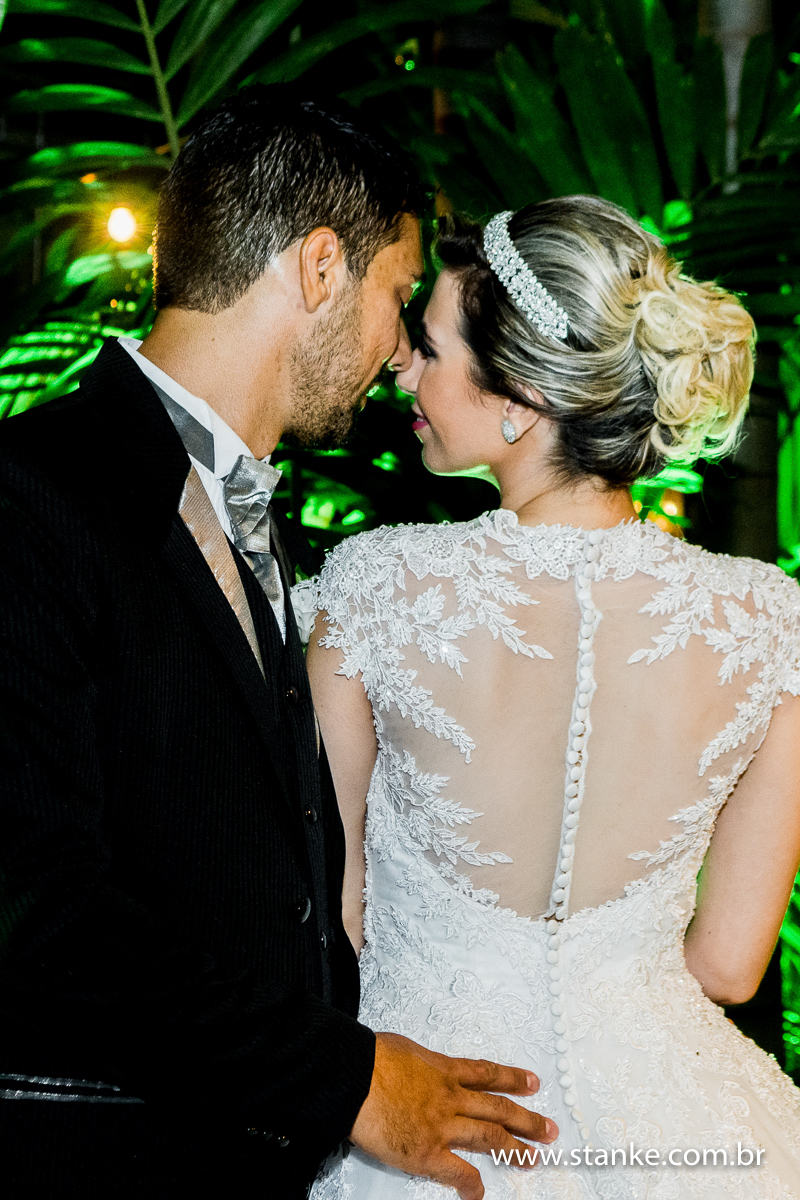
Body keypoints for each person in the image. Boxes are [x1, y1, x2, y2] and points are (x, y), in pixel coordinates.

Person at [0, 90, 554, 1200]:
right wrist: (346, 1080)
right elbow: (35, 904)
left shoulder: (251, 505)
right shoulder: (29, 494)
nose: (398, 346)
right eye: (397, 294)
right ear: (318, 267)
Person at [305, 196, 800, 1198]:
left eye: (429, 347)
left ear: (522, 398)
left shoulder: (375, 592)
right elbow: (726, 966)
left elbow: (330, 926)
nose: (402, 368)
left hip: (425, 1125)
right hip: (690, 1138)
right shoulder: (768, 622)